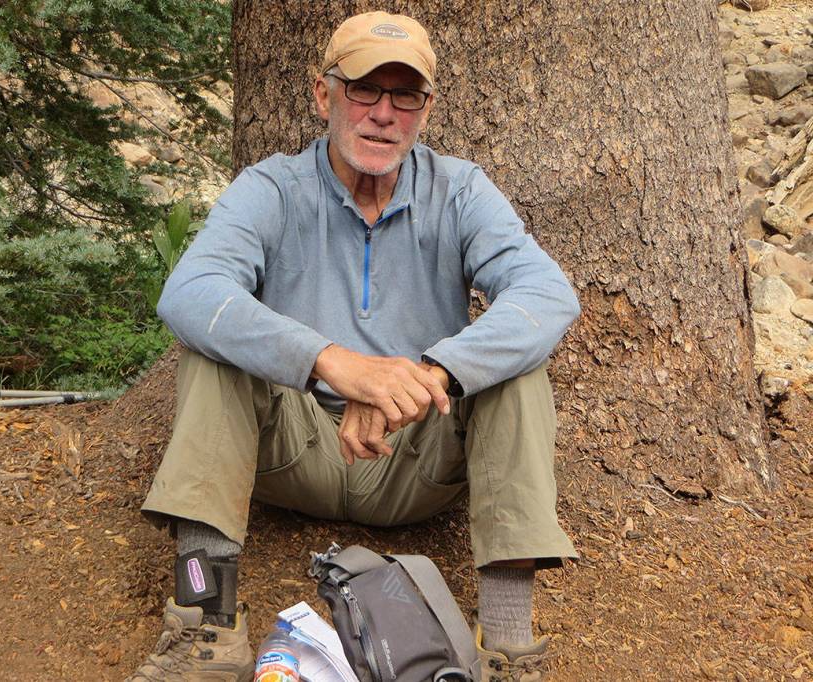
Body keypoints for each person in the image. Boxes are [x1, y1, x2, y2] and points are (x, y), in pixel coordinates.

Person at [127, 11, 578, 682]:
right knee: (213, 350)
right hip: (294, 450)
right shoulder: (272, 188)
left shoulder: (459, 190)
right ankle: (204, 629)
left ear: (426, 109)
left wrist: (432, 375)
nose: (383, 114)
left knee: (518, 372)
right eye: (364, 89)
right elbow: (190, 292)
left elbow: (547, 294)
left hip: (414, 458)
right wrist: (335, 364)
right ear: (324, 95)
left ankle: (508, 648)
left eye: (405, 96)